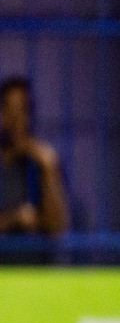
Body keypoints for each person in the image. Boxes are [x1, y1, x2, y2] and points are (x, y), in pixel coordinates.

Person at [0, 77, 68, 236]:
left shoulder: (42, 161)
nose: (16, 119)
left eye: (22, 109)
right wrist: (13, 218)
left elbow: (58, 227)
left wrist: (48, 166)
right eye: (9, 110)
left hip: (37, 259)